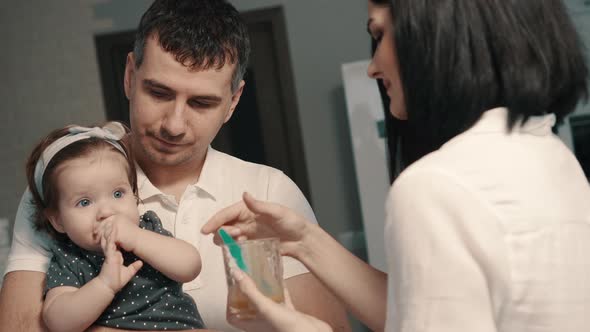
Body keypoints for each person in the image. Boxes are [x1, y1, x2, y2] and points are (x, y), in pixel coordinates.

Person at [203, 0, 590, 331]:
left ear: (437, 33)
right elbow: (421, 310)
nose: (373, 66)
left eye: (380, 35)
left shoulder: (436, 184)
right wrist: (306, 240)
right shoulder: (549, 155)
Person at [0, 1, 351, 331]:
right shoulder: (67, 185)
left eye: (201, 103)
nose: (174, 124)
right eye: (159, 93)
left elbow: (327, 328)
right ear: (129, 76)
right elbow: (19, 327)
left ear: (233, 103)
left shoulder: (268, 193)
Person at [26, 122, 204, 331]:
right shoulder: (70, 258)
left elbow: (190, 266)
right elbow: (58, 322)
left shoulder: (147, 230)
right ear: (58, 221)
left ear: (134, 195)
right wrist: (104, 284)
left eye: (118, 194)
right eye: (84, 202)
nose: (106, 211)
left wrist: (137, 238)